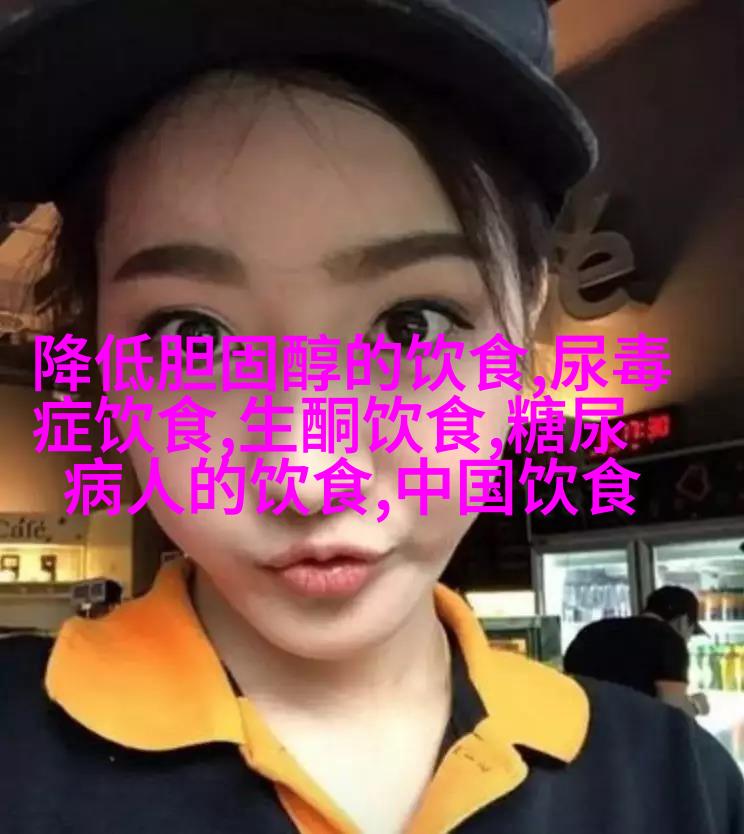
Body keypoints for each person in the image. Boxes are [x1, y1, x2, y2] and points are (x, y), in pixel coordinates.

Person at [1, 2, 742, 833]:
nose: (309, 473)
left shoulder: (676, 787)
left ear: (525, 315)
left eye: (410, 326)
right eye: (193, 337)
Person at [564, 586, 710, 717]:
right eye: (691, 632)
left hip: (581, 730)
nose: (688, 640)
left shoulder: (592, 631)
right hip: (632, 733)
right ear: (683, 621)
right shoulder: (670, 641)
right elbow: (672, 711)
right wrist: (696, 705)